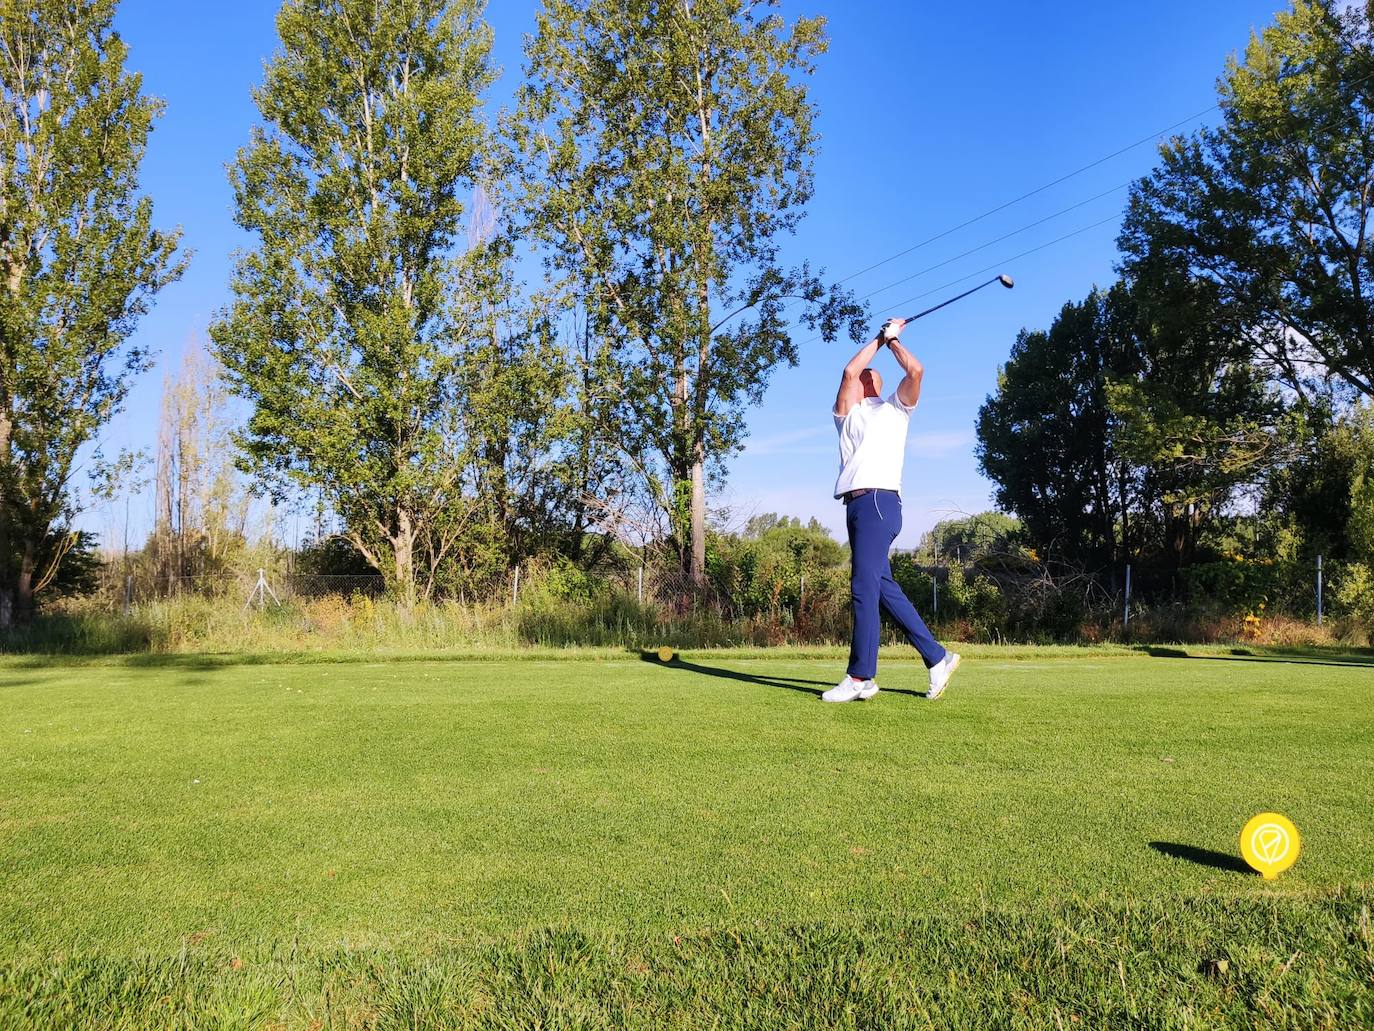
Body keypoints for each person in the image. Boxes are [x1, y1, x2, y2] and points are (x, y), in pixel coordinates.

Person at [822, 317, 960, 703]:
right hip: (855, 505)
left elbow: (916, 370)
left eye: (872, 375)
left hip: (880, 503)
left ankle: (861, 676)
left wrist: (893, 340)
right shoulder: (847, 415)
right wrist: (879, 339)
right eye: (864, 375)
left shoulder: (898, 409)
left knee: (863, 588)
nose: (865, 375)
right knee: (882, 589)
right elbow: (849, 370)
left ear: (881, 384)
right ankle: (938, 657)